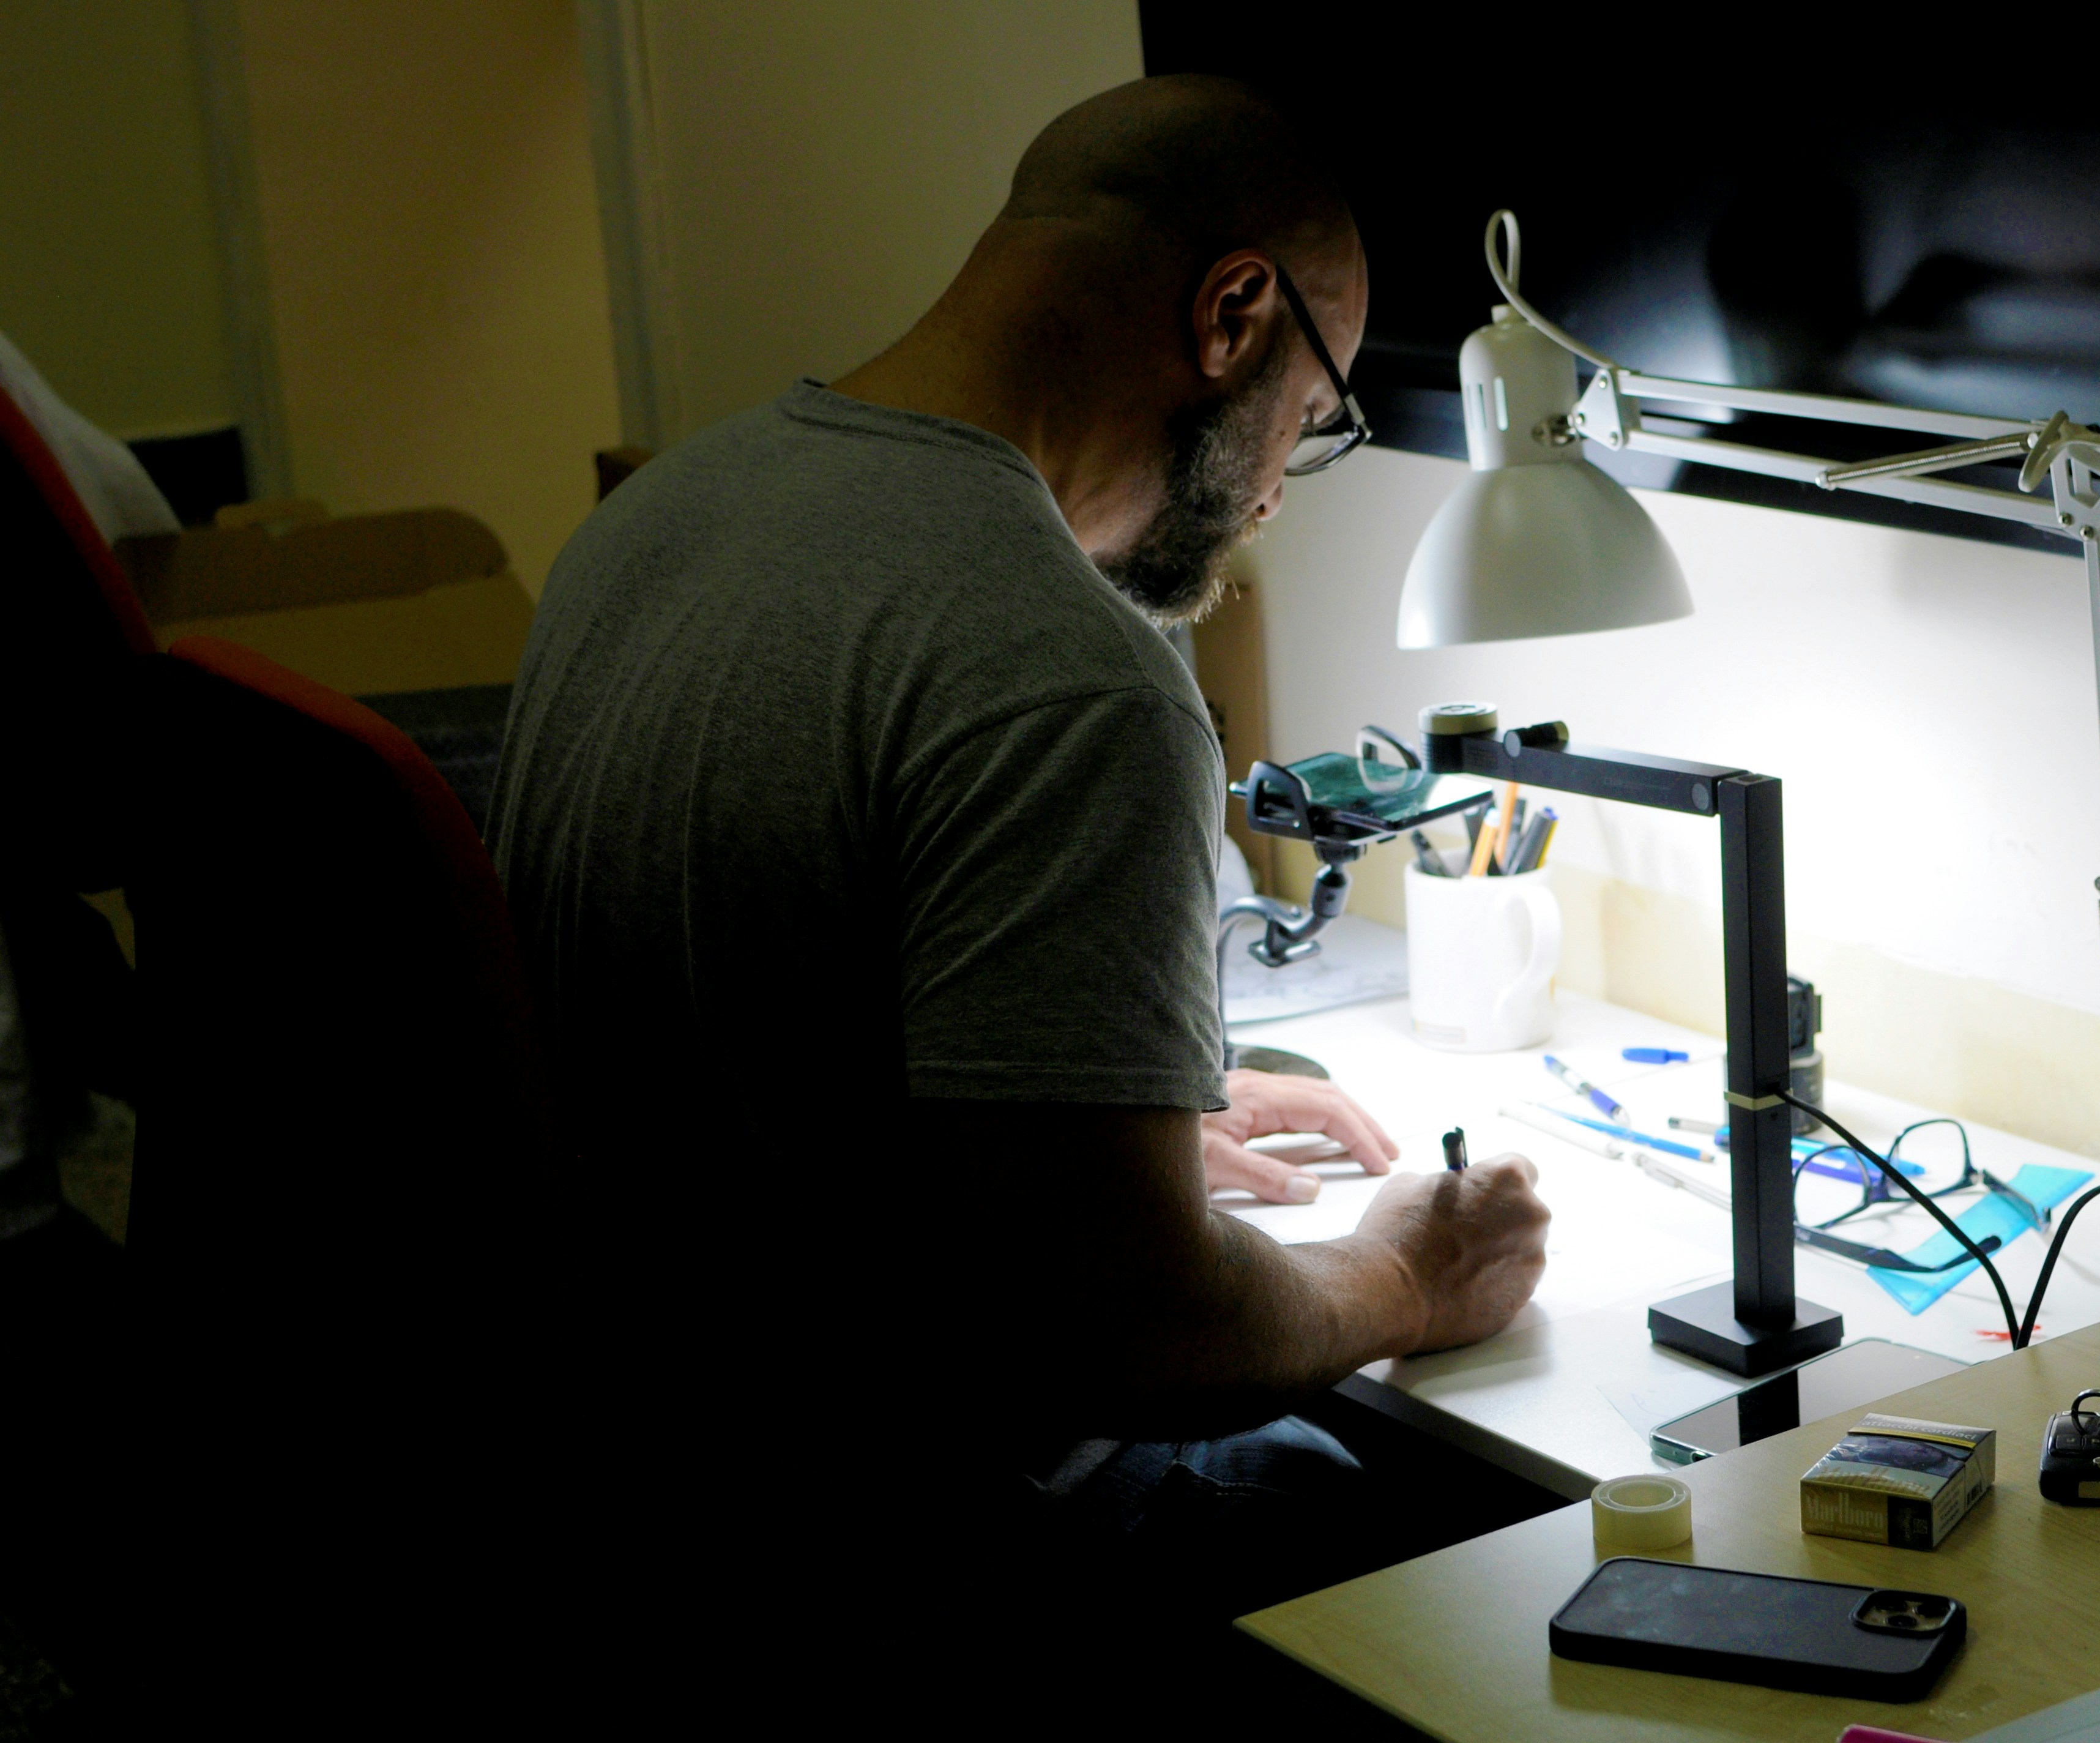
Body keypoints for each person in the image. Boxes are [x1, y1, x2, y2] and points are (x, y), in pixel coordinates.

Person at [486, 75, 1550, 1720]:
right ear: (1234, 314)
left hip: (633, 1490)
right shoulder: (1066, 672)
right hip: (900, 1556)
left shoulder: (654, 521)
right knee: (1469, 1546)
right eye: (1315, 416)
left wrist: (1081, 1134)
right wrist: (1402, 1277)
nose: (1275, 490)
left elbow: (741, 1036)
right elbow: (1144, 1338)